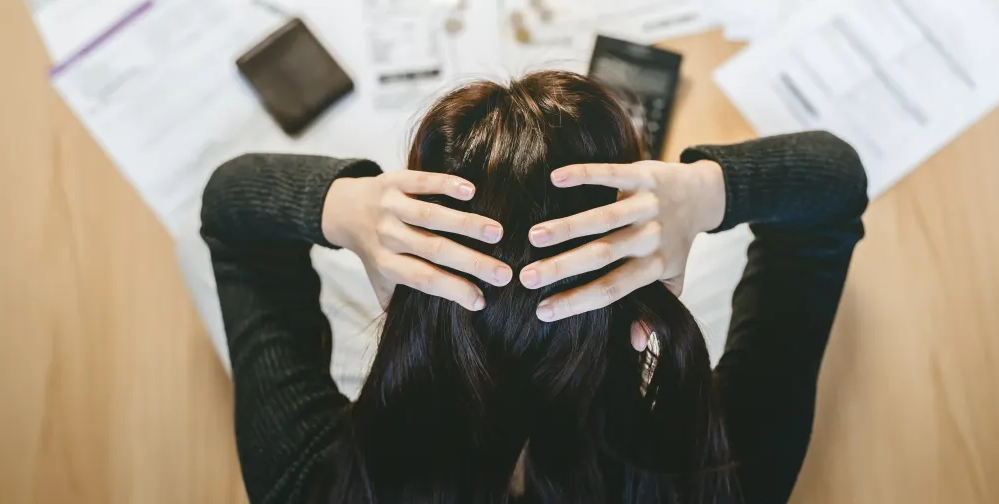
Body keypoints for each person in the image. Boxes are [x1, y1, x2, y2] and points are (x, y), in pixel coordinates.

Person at [201, 71, 868, 504]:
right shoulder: (716, 477)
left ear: (405, 308)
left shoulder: (316, 488)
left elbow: (231, 214)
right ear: (643, 328)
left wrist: (344, 208)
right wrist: (703, 193)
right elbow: (832, 187)